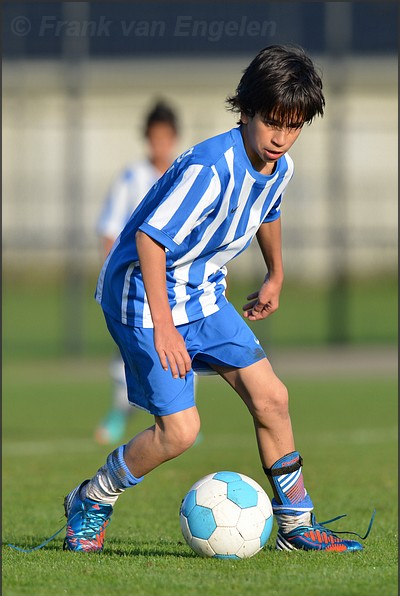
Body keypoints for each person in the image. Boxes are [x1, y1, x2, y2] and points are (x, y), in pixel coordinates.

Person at [63, 45, 373, 553]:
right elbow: (148, 239)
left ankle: (296, 525)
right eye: (272, 121)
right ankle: (91, 499)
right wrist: (163, 327)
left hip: (202, 295)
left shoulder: (281, 165)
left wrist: (275, 273)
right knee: (179, 433)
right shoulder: (211, 167)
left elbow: (267, 209)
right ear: (246, 109)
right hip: (142, 300)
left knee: (273, 398)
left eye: (293, 126)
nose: (281, 137)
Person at [94, 100, 180, 445]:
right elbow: (110, 230)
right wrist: (113, 276)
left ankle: (178, 417)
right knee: (129, 351)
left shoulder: (183, 174)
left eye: (165, 137)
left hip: (175, 282)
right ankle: (120, 411)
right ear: (147, 138)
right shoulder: (131, 178)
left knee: (179, 347)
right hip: (135, 281)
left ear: (173, 138)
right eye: (154, 137)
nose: (159, 143)